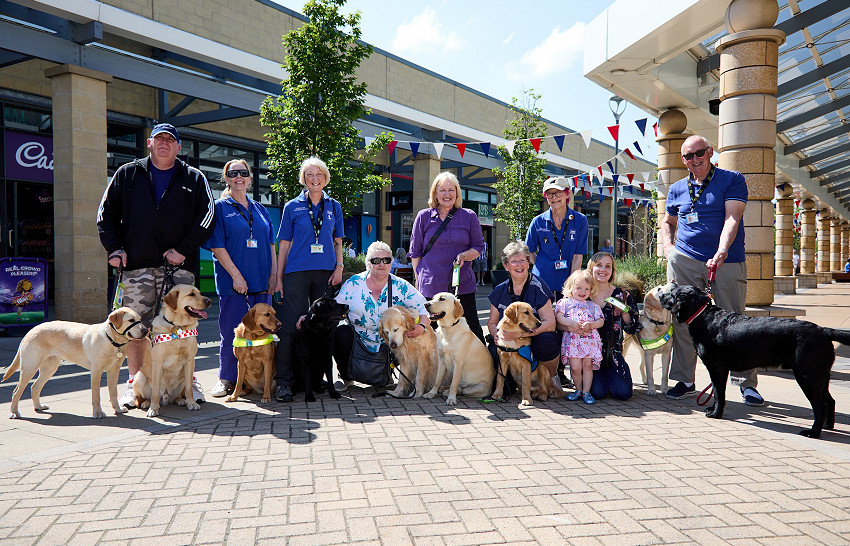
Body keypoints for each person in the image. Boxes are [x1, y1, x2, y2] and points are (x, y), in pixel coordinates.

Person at [97, 122, 215, 408]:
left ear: (177, 147)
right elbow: (105, 213)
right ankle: (136, 384)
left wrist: (183, 250)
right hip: (136, 266)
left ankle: (189, 384)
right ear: (149, 143)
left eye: (170, 140)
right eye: (159, 139)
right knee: (135, 328)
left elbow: (207, 217)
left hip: (179, 269)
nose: (164, 144)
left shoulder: (194, 178)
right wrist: (114, 249)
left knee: (184, 325)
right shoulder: (127, 173)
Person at [660, 134, 763, 406]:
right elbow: (667, 221)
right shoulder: (678, 188)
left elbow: (733, 217)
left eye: (699, 153)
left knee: (736, 322)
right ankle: (684, 379)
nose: (695, 159)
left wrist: (721, 250)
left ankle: (745, 383)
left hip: (726, 260)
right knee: (682, 320)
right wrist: (668, 247)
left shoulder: (731, 179)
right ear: (682, 160)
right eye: (688, 156)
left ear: (710, 152)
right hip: (684, 259)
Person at [272, 156, 344, 403]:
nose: (315, 179)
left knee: (325, 327)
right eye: (310, 175)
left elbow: (338, 241)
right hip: (296, 273)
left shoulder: (334, 206)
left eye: (319, 174)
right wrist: (279, 278)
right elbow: (284, 244)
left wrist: (339, 267)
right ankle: (283, 382)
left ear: (325, 178)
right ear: (303, 178)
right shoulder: (292, 207)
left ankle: (316, 379)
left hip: (324, 273)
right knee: (290, 327)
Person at [204, 159, 276, 397]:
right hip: (234, 285)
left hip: (261, 283)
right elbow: (216, 246)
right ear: (226, 178)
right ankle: (226, 378)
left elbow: (270, 245)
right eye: (233, 173)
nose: (238, 177)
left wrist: (274, 275)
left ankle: (257, 380)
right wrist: (236, 276)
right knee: (233, 333)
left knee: (263, 335)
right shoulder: (220, 207)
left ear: (250, 177)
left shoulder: (260, 209)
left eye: (243, 173)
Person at [333, 241, 429, 390]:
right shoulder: (353, 284)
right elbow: (334, 307)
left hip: (388, 344)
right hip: (357, 340)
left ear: (391, 263)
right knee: (339, 333)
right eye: (376, 260)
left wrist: (421, 327)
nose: (382, 264)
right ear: (368, 263)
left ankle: (387, 373)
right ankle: (345, 377)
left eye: (386, 260)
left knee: (405, 333)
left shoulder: (401, 286)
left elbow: (424, 308)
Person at [409, 171, 485, 342]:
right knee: (430, 335)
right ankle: (435, 368)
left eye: (451, 190)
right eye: (442, 190)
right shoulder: (423, 216)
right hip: (431, 285)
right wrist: (419, 279)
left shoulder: (469, 216)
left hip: (461, 285)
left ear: (457, 193)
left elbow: (478, 247)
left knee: (471, 330)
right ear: (435, 193)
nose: (447, 194)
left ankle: (482, 367)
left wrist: (465, 255)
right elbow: (415, 252)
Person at [486, 241, 564, 396]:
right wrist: (497, 335)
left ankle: (553, 378)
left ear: (529, 263)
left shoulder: (538, 286)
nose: (519, 265)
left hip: (533, 339)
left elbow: (550, 323)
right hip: (507, 343)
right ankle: (512, 384)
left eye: (523, 260)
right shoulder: (500, 290)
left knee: (546, 342)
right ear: (506, 266)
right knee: (495, 354)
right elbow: (492, 322)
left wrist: (522, 335)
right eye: (514, 261)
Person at [561, 251, 640, 400]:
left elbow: (632, 328)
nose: (603, 269)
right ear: (591, 268)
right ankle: (591, 384)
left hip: (612, 355)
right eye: (599, 265)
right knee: (597, 393)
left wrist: (624, 312)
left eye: (608, 266)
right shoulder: (580, 292)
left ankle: (610, 380)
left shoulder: (622, 295)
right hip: (585, 354)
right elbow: (559, 323)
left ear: (612, 271)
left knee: (623, 393)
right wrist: (572, 326)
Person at [525, 176, 588, 302]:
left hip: (567, 279)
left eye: (558, 192)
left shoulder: (580, 220)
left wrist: (572, 283)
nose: (554, 197)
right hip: (542, 279)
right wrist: (541, 266)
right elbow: (528, 251)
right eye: (550, 194)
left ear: (567, 193)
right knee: (542, 318)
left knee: (565, 318)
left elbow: (577, 256)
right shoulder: (538, 221)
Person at [555, 269, 604, 404]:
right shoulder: (564, 303)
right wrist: (571, 323)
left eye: (586, 289)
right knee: (575, 367)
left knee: (587, 366)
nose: (583, 292)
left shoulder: (592, 306)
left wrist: (592, 324)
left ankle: (586, 392)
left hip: (589, 342)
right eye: (579, 288)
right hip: (573, 342)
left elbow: (601, 321)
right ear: (571, 287)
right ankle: (578, 389)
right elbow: (558, 317)